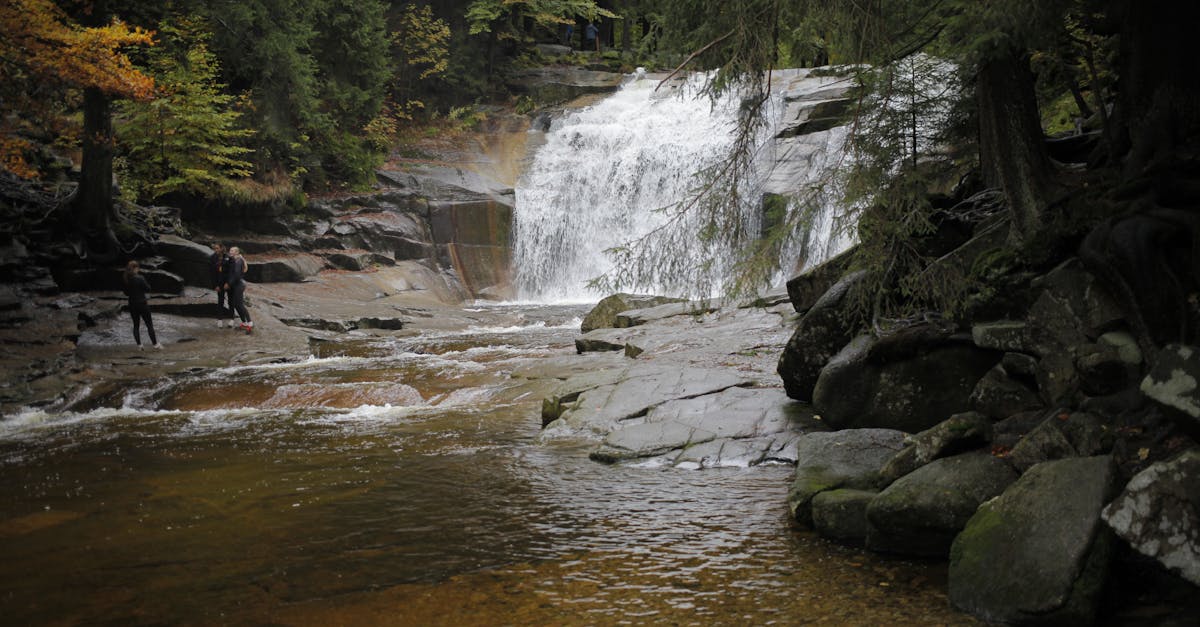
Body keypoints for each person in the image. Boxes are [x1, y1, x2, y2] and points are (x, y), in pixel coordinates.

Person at [123, 260, 161, 350]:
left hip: (132, 304)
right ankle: (155, 345)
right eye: (137, 268)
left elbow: (126, 293)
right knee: (149, 325)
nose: (138, 270)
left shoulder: (126, 279)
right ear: (135, 268)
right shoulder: (140, 278)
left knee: (136, 326)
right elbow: (148, 288)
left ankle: (140, 346)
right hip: (142, 304)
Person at [225, 246, 253, 333]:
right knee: (235, 304)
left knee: (239, 304)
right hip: (234, 285)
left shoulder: (239, 261)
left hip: (239, 285)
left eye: (232, 251)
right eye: (230, 250)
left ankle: (250, 323)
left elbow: (236, 275)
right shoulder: (232, 260)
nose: (230, 252)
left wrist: (228, 284)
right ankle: (244, 323)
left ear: (237, 252)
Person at [208, 243, 233, 327]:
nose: (216, 250)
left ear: (222, 248)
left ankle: (231, 319)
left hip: (228, 283)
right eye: (215, 248)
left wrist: (228, 283)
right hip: (219, 283)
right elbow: (211, 273)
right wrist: (215, 285)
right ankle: (220, 319)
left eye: (217, 248)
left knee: (231, 301)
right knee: (220, 301)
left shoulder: (228, 257)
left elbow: (231, 272)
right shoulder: (212, 257)